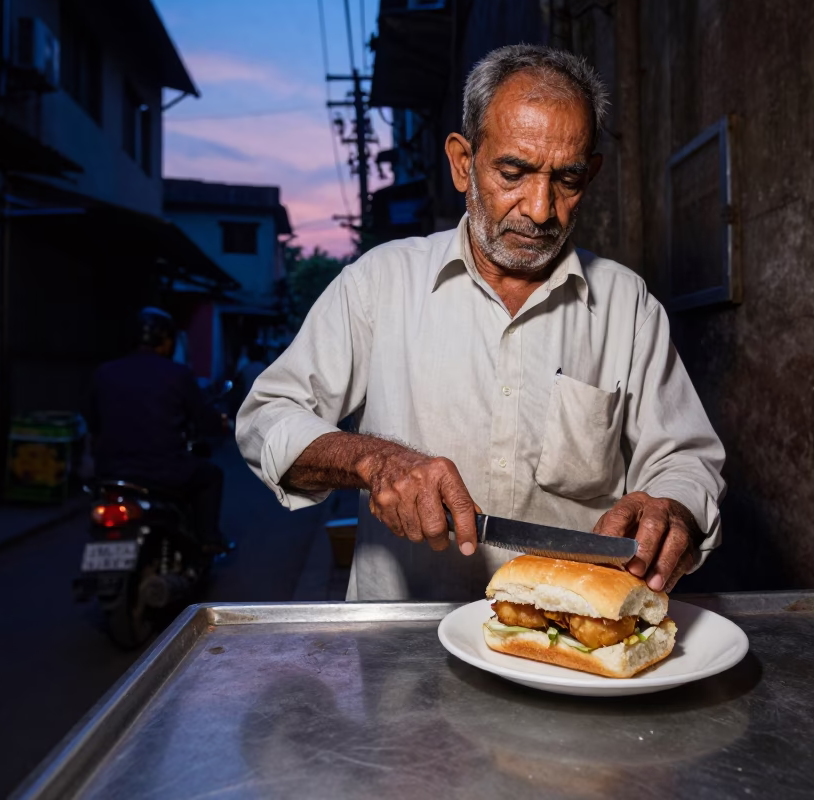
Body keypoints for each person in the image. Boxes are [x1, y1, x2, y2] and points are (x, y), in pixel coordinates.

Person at [235, 45, 725, 601]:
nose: (540, 209)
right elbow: (266, 419)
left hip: (566, 646)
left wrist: (673, 508)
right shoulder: (380, 282)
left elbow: (685, 456)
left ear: (591, 173)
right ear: (463, 162)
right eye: (513, 173)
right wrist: (374, 461)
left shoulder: (625, 304)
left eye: (566, 180)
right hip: (404, 655)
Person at [88, 307, 227, 552]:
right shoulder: (178, 374)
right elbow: (205, 420)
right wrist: (221, 424)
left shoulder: (104, 372)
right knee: (211, 476)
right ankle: (208, 539)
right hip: (164, 472)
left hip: (111, 473)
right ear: (165, 342)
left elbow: (93, 422)